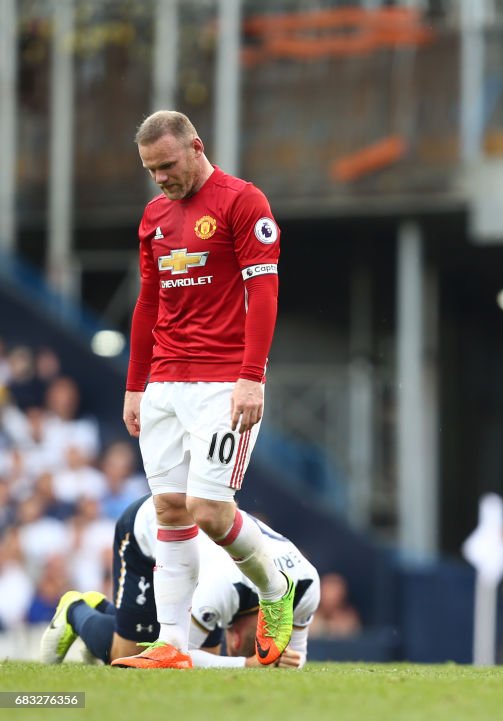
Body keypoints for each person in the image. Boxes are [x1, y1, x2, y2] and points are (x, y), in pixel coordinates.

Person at [114, 110, 291, 669]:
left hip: (223, 382)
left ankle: (274, 589)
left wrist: (252, 376)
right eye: (151, 170)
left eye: (167, 165)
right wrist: (135, 384)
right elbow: (148, 304)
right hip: (164, 381)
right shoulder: (154, 216)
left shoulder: (242, 202)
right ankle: (172, 644)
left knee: (210, 511)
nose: (161, 177)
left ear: (196, 147)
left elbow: (263, 294)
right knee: (169, 509)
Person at [40, 495, 319, 669]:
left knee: (206, 664)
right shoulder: (222, 589)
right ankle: (76, 609)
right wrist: (246, 664)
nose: (229, 639)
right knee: (129, 653)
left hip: (192, 551)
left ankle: (104, 610)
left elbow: (298, 653)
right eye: (251, 644)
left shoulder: (307, 584)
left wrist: (288, 660)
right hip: (149, 532)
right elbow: (179, 657)